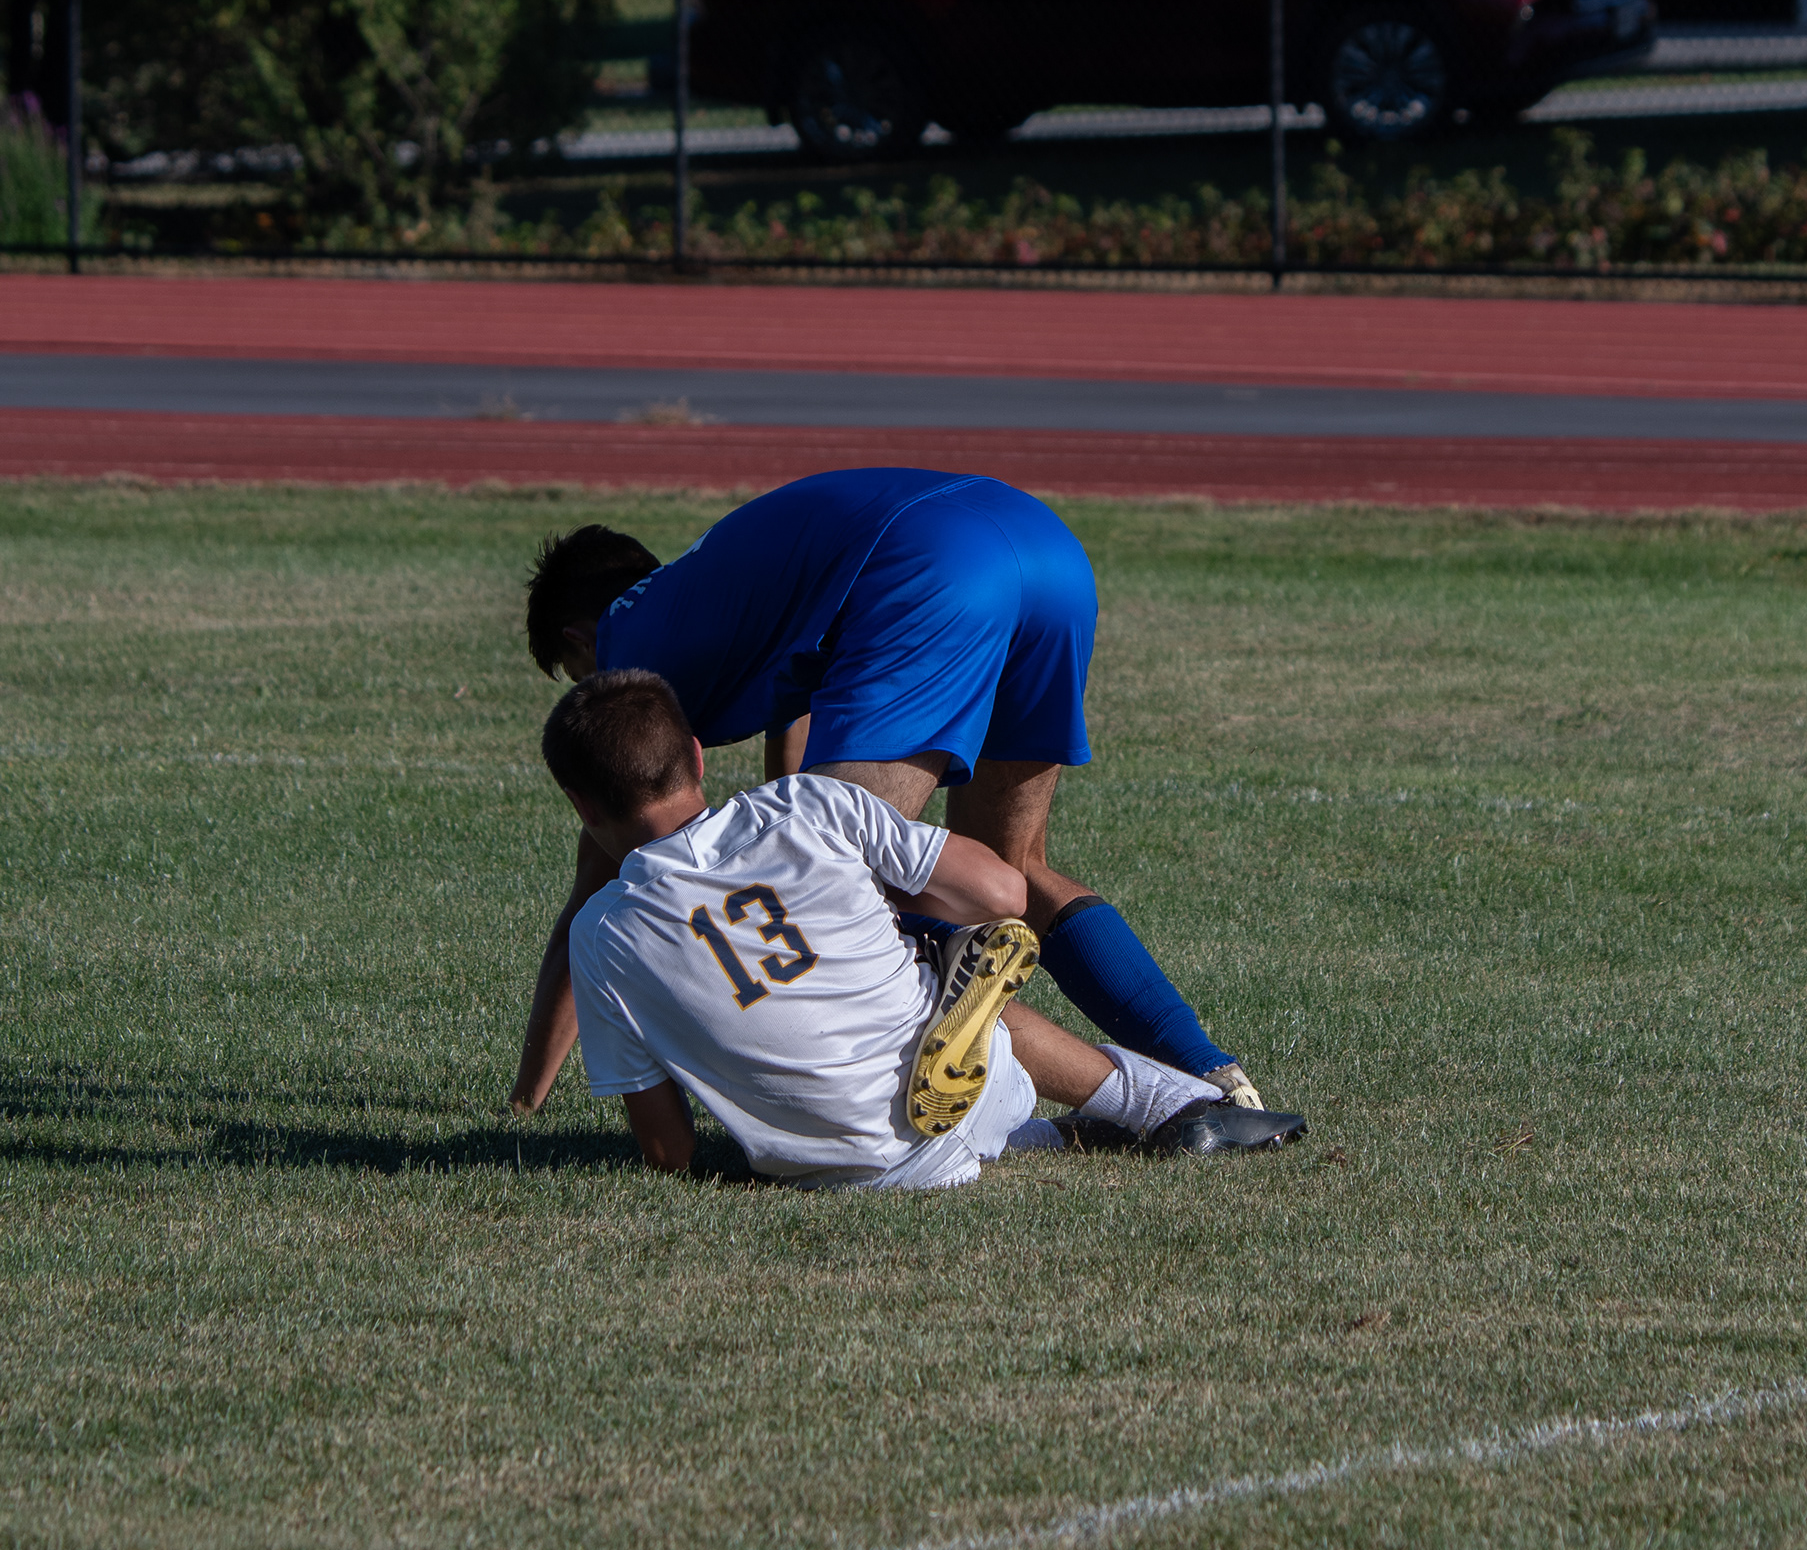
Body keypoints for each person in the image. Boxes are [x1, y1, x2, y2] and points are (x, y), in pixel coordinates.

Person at [511, 469, 1260, 1118]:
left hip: (933, 568)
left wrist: (526, 1098)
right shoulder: (721, 586)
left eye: (581, 675)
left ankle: (1000, 1000)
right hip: (1044, 546)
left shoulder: (631, 642)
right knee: (1011, 868)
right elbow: (797, 736)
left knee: (849, 894)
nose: (599, 691)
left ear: (580, 637)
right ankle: (1209, 1073)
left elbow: (605, 876)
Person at [541, 670, 1305, 1188]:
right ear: (696, 757)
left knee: (927, 1064)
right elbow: (1004, 892)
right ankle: (1174, 1107)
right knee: (957, 986)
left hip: (833, 1173)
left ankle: (1057, 1132)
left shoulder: (600, 936)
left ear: (581, 805)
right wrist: (893, 916)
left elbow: (668, 1150)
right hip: (965, 1090)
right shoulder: (805, 805)